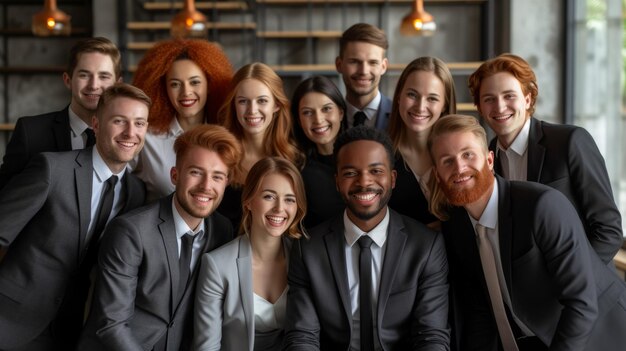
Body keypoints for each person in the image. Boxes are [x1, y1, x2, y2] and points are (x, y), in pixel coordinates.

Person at [428, 114, 626, 351]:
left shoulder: (541, 206)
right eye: (447, 161)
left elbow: (581, 303)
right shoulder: (456, 227)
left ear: (490, 160)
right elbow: (480, 311)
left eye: (468, 154)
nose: (459, 168)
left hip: (595, 337)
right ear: (437, 175)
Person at [0, 82, 149, 350]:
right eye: (119, 121)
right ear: (96, 123)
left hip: (70, 329)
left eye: (140, 123)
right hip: (9, 318)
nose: (131, 132)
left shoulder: (136, 193)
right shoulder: (51, 169)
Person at [284, 126, 450, 350]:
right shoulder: (308, 248)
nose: (364, 182)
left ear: (392, 179)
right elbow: (302, 336)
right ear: (336, 182)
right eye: (350, 173)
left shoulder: (426, 246)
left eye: (376, 171)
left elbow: (431, 337)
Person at [78, 124, 242, 351]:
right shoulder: (131, 231)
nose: (206, 186)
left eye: (217, 176)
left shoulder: (222, 230)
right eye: (196, 172)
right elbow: (111, 324)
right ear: (175, 175)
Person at [468, 53, 622, 265]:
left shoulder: (569, 141)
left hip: (588, 291)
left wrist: (577, 283)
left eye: (509, 96)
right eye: (489, 99)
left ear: (528, 98)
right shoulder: (486, 158)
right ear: (480, 108)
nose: (500, 106)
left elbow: (608, 229)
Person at [194, 157, 307, 351]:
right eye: (269, 196)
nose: (280, 208)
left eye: (289, 199)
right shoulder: (217, 265)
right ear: (248, 201)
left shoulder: (306, 258)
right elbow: (207, 347)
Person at [0, 36, 121, 190]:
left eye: (103, 76)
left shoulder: (128, 138)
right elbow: (6, 196)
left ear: (118, 84)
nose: (94, 85)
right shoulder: (31, 132)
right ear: (68, 80)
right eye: (84, 75)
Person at [131, 38, 233, 202]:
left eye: (195, 82)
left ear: (210, 84)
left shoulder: (228, 136)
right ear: (163, 89)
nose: (186, 92)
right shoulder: (146, 138)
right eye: (175, 84)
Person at [218, 62, 304, 230]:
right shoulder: (220, 158)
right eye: (243, 101)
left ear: (276, 105)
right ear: (234, 105)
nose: (252, 110)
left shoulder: (297, 159)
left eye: (262, 101)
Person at [387, 56, 456, 227]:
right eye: (412, 95)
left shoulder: (460, 155)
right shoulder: (381, 154)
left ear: (445, 105)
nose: (420, 106)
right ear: (399, 97)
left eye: (432, 98)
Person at [291, 76, 346, 229]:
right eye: (308, 112)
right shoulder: (298, 170)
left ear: (340, 112)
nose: (318, 119)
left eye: (326, 109)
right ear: (298, 119)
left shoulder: (362, 156)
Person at [336, 23, 391, 130]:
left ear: (383, 67)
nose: (364, 71)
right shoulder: (327, 119)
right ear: (339, 65)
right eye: (354, 62)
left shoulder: (401, 116)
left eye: (373, 62)